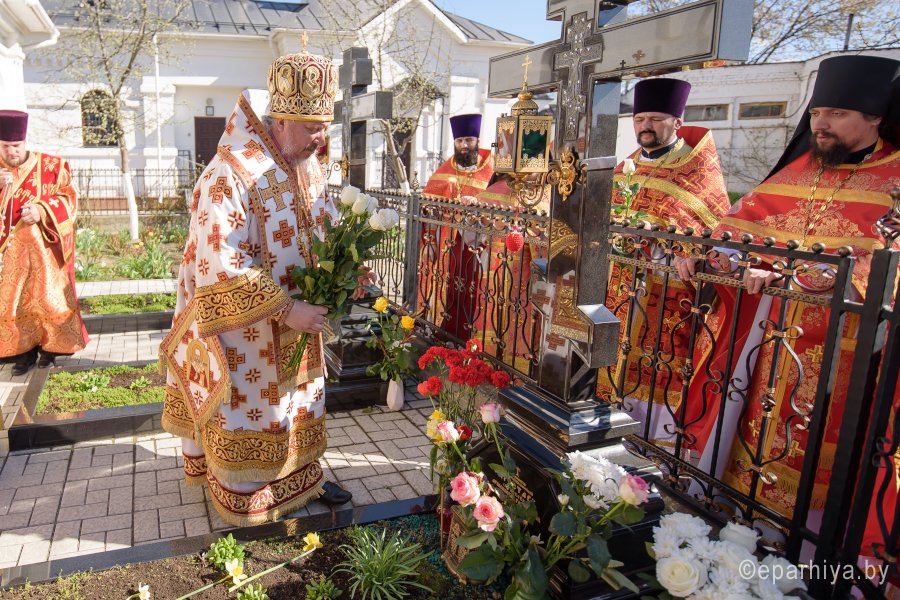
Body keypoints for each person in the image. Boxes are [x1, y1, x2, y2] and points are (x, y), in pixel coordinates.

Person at [674, 54, 899, 560]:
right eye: (816, 112)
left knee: (817, 448)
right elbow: (740, 227)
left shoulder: (895, 181)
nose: (821, 123)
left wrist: (799, 277)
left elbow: (884, 267)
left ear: (875, 117)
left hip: (844, 352)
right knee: (751, 427)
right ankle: (739, 520)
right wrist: (715, 256)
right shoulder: (802, 168)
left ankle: (808, 549)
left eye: (837, 113)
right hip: (770, 339)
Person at [159, 48, 362, 526]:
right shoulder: (229, 174)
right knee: (255, 407)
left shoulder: (306, 166)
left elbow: (325, 224)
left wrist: (351, 267)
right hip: (247, 332)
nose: (320, 139)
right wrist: (286, 309)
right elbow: (218, 261)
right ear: (280, 121)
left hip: (301, 325)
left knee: (299, 401)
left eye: (323, 127)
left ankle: (302, 479)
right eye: (311, 128)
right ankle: (245, 491)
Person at [596, 78, 730, 449]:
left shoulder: (697, 170)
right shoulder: (626, 168)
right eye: (640, 119)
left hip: (667, 293)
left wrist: (672, 246)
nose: (646, 126)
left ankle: (653, 446)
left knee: (656, 370)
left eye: (655, 119)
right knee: (612, 363)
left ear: (677, 122)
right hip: (618, 287)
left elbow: (713, 232)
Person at [0, 109, 88, 375]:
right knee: (14, 303)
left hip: (45, 255)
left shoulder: (52, 166)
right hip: (9, 257)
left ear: (24, 142)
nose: (11, 151)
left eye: (16, 145)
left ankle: (50, 351)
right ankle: (22, 353)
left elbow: (68, 199)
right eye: (5, 146)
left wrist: (41, 210)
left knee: (49, 300)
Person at [419, 114, 494, 339]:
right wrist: (429, 242)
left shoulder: (492, 168)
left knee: (477, 287)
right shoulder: (445, 170)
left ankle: (474, 338)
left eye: (468, 140)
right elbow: (430, 209)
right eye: (459, 141)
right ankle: (445, 334)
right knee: (449, 285)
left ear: (477, 140)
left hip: (481, 242)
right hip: (449, 241)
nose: (464, 145)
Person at [472, 173, 550, 373]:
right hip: (496, 266)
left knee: (522, 315)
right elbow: (473, 228)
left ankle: (518, 369)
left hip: (527, 270)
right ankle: (489, 363)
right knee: (494, 311)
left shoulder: (548, 193)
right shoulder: (497, 190)